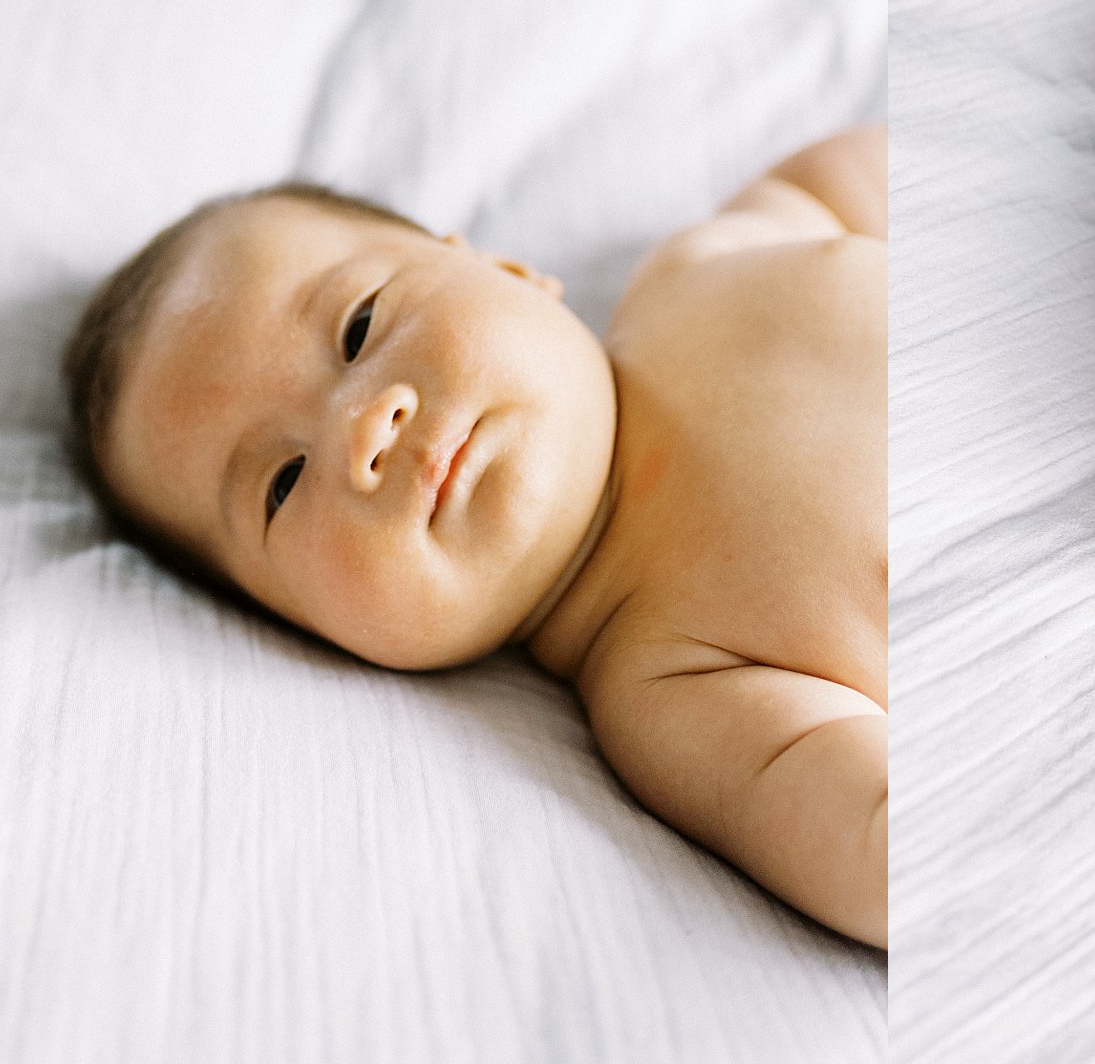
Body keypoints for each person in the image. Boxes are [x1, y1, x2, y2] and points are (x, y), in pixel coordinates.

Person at [64, 126, 887, 948]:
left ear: (504, 268)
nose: (363, 429)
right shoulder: (678, 692)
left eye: (358, 327)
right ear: (315, 635)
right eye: (281, 487)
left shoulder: (700, 270)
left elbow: (862, 172)